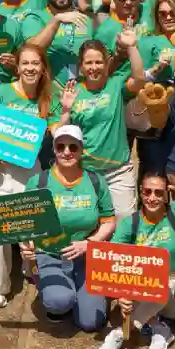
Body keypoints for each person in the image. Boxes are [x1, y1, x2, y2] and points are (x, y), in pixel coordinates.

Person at [0, 43, 61, 308]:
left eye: (36, 63)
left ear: (43, 67)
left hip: (28, 171)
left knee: (30, 228)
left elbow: (58, 130)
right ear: (17, 66)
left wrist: (64, 112)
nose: (31, 68)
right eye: (26, 63)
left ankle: (30, 266)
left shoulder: (48, 98)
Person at [20, 124, 115, 331]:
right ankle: (57, 291)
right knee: (59, 302)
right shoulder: (39, 181)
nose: (66, 152)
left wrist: (90, 243)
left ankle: (80, 293)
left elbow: (109, 221)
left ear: (82, 150)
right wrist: (26, 246)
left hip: (86, 256)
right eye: (60, 146)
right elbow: (25, 225)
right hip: (50, 253)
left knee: (92, 323)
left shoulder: (95, 181)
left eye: (73, 147)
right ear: (53, 149)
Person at [97, 171, 175, 349]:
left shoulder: (174, 212)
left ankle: (119, 333)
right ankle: (160, 329)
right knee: (131, 298)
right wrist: (120, 295)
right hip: (140, 283)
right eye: (148, 192)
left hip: (171, 285)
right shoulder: (130, 223)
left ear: (166, 195)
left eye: (159, 193)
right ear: (140, 193)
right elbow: (113, 260)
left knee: (162, 286)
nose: (153, 198)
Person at [62, 34, 146, 220]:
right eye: (88, 63)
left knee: (125, 221)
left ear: (107, 63)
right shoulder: (73, 92)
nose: (94, 68)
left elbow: (140, 79)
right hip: (85, 172)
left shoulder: (116, 84)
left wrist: (131, 46)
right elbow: (61, 135)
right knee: (89, 223)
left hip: (118, 171)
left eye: (99, 62)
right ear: (81, 66)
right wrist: (66, 111)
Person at [19, 0, 94, 85]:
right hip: (47, 93)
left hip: (80, 93)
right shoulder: (35, 18)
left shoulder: (86, 21)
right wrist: (56, 20)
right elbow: (32, 50)